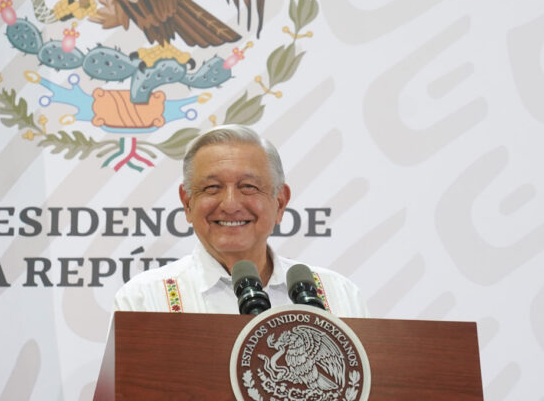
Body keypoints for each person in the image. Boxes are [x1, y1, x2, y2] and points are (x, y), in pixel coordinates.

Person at [113, 126, 369, 317]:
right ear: (187, 202)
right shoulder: (145, 300)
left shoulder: (338, 296)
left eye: (248, 186)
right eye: (212, 188)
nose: (230, 204)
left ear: (280, 202)